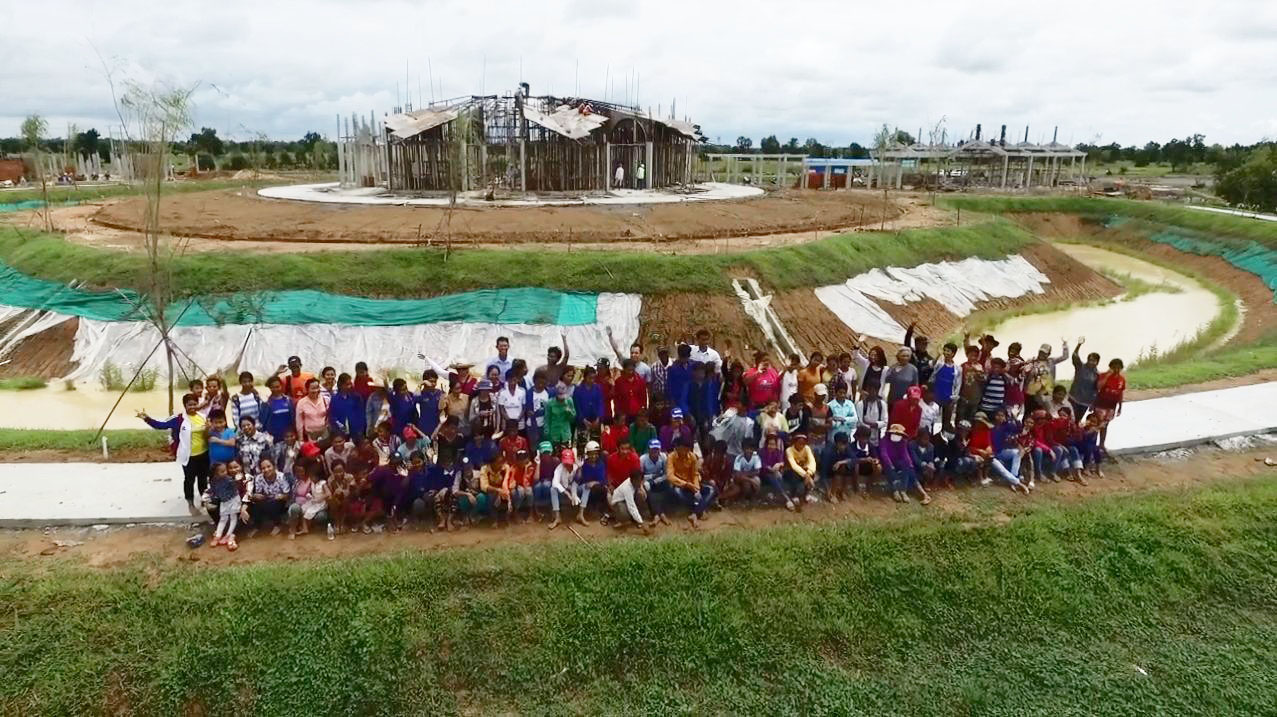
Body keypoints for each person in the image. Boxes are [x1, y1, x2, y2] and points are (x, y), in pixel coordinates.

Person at [138, 393, 209, 515]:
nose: (192, 407)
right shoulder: (179, 419)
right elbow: (161, 425)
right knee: (189, 480)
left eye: (195, 404)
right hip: (188, 456)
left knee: (203, 479)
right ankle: (191, 504)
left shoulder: (203, 416)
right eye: (189, 405)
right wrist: (146, 418)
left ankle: (205, 500)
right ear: (185, 405)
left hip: (204, 454)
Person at [667, 437, 714, 527]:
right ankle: (699, 509)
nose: (686, 451)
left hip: (691, 484)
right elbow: (670, 476)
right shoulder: (671, 457)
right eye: (684, 449)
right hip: (680, 485)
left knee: (711, 490)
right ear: (677, 448)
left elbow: (695, 474)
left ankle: (695, 513)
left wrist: (696, 488)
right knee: (677, 492)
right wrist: (685, 484)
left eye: (687, 449)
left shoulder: (692, 456)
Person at [880, 423, 931, 504]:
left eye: (899, 434)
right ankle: (895, 491)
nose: (897, 435)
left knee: (909, 469)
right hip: (887, 463)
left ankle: (905, 491)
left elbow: (905, 454)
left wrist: (909, 464)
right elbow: (884, 454)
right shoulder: (884, 440)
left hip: (898, 462)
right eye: (895, 433)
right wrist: (890, 465)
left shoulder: (903, 442)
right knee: (890, 470)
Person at [248, 457, 290, 535]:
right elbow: (259, 493)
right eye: (263, 468)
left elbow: (287, 495)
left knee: (273, 504)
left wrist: (282, 496)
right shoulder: (258, 478)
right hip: (266, 499)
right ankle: (257, 526)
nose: (266, 470)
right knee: (256, 505)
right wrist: (256, 496)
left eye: (268, 466)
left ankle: (278, 525)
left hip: (279, 501)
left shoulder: (281, 476)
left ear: (274, 466)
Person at [288, 464, 329, 539]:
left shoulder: (322, 483)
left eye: (312, 476)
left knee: (309, 512)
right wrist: (310, 496)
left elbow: (328, 493)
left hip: (320, 503)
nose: (311, 478)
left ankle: (307, 527)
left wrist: (319, 499)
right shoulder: (312, 483)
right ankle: (305, 528)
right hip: (314, 501)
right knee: (304, 509)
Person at [1093, 358, 1126, 449]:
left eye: (1118, 368)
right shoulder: (1104, 375)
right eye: (1114, 368)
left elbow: (1120, 393)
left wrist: (1120, 407)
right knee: (1096, 424)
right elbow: (1098, 387)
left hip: (1112, 406)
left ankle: (1101, 444)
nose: (1116, 370)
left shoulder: (1122, 379)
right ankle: (1092, 444)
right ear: (1110, 367)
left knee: (1105, 425)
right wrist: (1107, 376)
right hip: (1101, 404)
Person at [929, 341, 961, 432]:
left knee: (946, 421)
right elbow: (931, 365)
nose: (946, 353)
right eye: (945, 350)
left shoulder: (957, 369)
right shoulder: (939, 364)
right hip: (936, 396)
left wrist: (954, 398)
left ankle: (943, 438)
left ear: (953, 353)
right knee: (932, 418)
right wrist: (937, 355)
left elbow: (958, 384)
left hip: (948, 398)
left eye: (948, 351)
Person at [208, 462, 240, 550]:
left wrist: (236, 480)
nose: (225, 473)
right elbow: (212, 491)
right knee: (223, 518)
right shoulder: (213, 481)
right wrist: (209, 496)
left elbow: (235, 487)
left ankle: (228, 535)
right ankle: (218, 535)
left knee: (233, 517)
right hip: (224, 501)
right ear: (215, 473)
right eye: (222, 471)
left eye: (225, 470)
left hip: (233, 500)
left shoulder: (229, 480)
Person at [1067, 337, 1100, 423]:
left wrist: (1093, 404)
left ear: (1097, 362)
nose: (1091, 362)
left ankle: (1074, 436)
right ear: (1087, 360)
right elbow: (1074, 355)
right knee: (1067, 419)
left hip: (1085, 402)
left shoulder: (1097, 375)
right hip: (1073, 398)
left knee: (1077, 421)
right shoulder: (1080, 367)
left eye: (1094, 361)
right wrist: (1079, 344)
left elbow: (1096, 391)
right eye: (1090, 360)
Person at [575, 441, 608, 525]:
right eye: (591, 454)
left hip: (593, 489)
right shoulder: (583, 463)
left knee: (600, 488)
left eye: (596, 454)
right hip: (581, 489)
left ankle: (596, 508)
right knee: (587, 487)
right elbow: (577, 480)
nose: (593, 456)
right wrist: (579, 468)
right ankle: (581, 514)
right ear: (587, 454)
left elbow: (603, 480)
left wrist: (593, 482)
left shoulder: (600, 464)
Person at [820, 431, 857, 504]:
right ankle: (832, 494)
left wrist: (841, 462)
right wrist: (828, 491)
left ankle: (842, 491)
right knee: (839, 469)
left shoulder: (846, 447)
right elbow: (823, 474)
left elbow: (854, 459)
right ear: (836, 443)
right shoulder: (827, 452)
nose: (844, 446)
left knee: (849, 467)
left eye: (845, 444)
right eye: (841, 444)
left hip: (838, 466)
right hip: (828, 469)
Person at [783, 433, 817, 511]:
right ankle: (794, 495)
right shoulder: (789, 450)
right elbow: (793, 465)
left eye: (803, 444)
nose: (801, 446)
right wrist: (806, 475)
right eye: (799, 443)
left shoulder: (807, 448)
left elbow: (812, 462)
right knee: (794, 474)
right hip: (790, 471)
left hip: (804, 471)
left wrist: (808, 473)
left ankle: (807, 495)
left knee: (812, 473)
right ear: (794, 443)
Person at [548, 449, 580, 530]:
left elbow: (579, 481)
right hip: (563, 489)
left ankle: (581, 514)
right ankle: (557, 516)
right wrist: (567, 493)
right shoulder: (559, 468)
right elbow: (555, 482)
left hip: (575, 488)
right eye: (566, 462)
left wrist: (573, 493)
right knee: (553, 489)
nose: (567, 464)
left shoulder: (577, 467)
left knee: (584, 488)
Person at [329, 372, 366, 440]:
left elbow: (361, 415)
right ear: (340, 385)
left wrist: (360, 429)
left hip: (356, 432)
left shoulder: (356, 397)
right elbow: (332, 416)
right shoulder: (335, 399)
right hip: (340, 433)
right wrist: (340, 426)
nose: (350, 386)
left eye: (350, 384)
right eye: (347, 384)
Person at [730, 439, 763, 504]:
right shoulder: (739, 458)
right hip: (741, 478)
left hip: (749, 476)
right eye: (747, 448)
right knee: (746, 484)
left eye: (751, 449)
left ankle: (753, 497)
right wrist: (750, 480)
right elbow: (737, 474)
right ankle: (742, 498)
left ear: (754, 449)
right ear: (743, 449)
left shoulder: (756, 457)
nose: (748, 450)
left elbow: (757, 471)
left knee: (757, 481)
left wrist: (745, 475)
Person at [325, 459, 353, 538]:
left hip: (347, 500)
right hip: (336, 501)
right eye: (336, 472)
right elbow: (330, 495)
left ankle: (342, 523)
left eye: (341, 471)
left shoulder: (349, 477)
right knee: (331, 500)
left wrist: (342, 491)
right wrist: (335, 494)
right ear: (332, 472)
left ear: (344, 470)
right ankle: (337, 523)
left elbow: (350, 492)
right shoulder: (330, 479)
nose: (338, 474)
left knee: (346, 500)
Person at [850, 426, 881, 496]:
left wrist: (875, 461)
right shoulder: (852, 446)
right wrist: (864, 460)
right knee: (856, 465)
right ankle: (856, 488)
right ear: (857, 437)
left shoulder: (871, 446)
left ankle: (869, 486)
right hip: (856, 469)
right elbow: (852, 459)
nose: (865, 440)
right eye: (863, 438)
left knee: (879, 467)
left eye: (867, 438)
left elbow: (876, 457)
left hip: (868, 467)